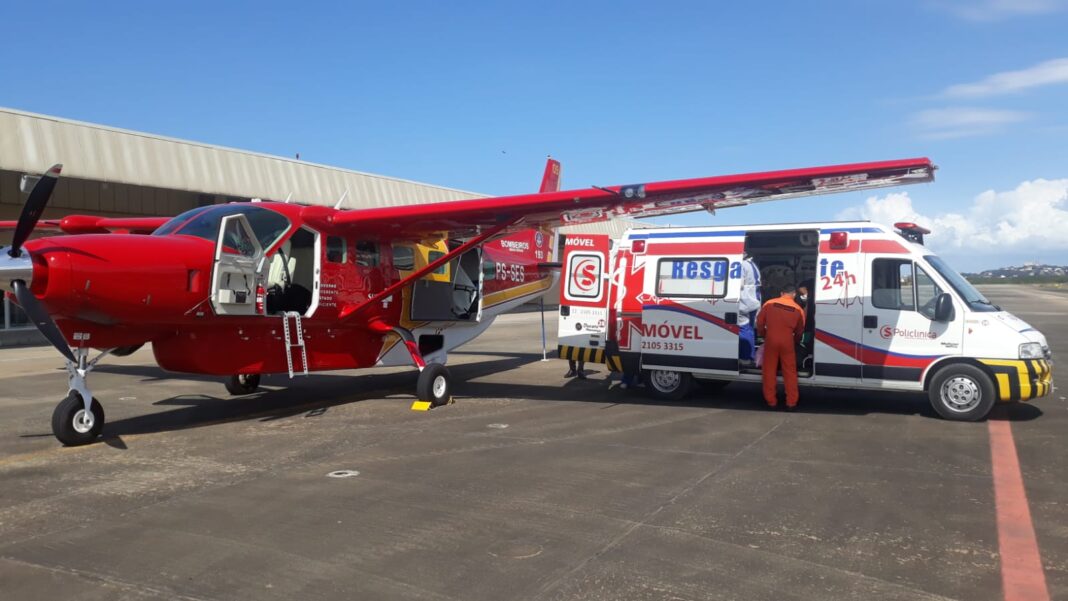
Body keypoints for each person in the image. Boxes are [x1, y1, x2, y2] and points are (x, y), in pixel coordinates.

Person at [756, 283, 806, 409]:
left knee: (769, 371)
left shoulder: (769, 304)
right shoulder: (798, 309)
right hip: (787, 342)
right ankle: (791, 402)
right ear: (794, 295)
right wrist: (795, 340)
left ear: (781, 293)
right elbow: (800, 330)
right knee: (789, 372)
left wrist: (764, 335)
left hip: (771, 340)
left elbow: (760, 323)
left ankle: (771, 401)